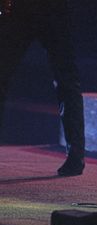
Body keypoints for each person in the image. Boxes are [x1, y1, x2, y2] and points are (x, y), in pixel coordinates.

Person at [0, 0, 85, 176]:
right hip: (27, 9)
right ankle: (76, 156)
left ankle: (76, 155)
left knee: (66, 81)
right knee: (66, 81)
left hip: (45, 9)